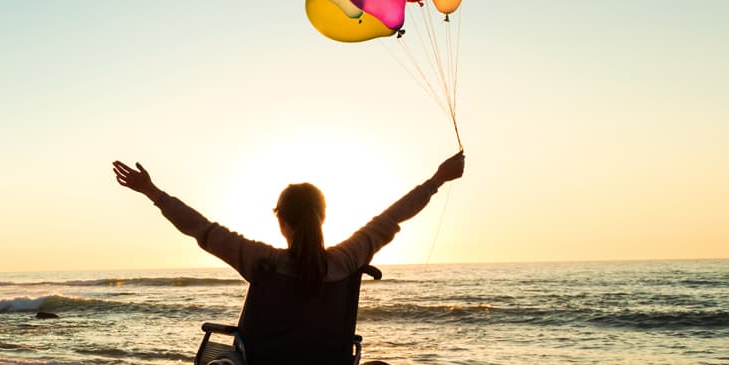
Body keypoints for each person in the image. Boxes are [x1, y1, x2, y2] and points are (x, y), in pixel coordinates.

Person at [111, 152, 465, 290]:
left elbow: (200, 229)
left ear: (281, 221)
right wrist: (437, 180)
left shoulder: (262, 262)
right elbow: (392, 216)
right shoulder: (346, 259)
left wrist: (153, 192)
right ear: (323, 216)